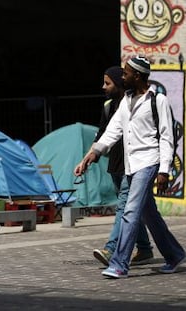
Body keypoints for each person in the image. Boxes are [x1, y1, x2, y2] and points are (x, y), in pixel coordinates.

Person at [75, 55, 185, 278]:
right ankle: (174, 254)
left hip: (149, 162)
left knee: (130, 210)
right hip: (130, 164)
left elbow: (166, 137)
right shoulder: (126, 101)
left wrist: (164, 170)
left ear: (138, 75)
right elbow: (113, 131)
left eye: (126, 73)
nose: (123, 76)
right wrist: (94, 153)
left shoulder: (158, 100)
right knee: (148, 214)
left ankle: (119, 263)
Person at [74, 66, 154, 266]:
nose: (103, 87)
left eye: (107, 83)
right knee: (139, 210)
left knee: (124, 207)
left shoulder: (134, 104)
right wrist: (86, 159)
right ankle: (144, 249)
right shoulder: (109, 106)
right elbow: (101, 136)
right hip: (115, 166)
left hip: (134, 166)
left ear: (119, 83)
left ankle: (111, 249)